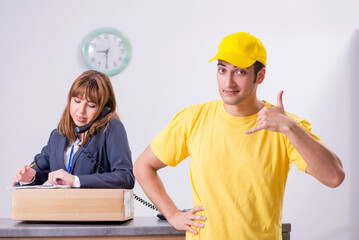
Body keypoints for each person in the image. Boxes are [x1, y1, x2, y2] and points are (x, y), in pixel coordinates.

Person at [133, 32, 345, 239]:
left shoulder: (284, 125)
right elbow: (143, 166)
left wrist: (290, 128)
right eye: (222, 70)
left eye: (240, 72)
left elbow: (334, 177)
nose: (228, 83)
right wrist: (173, 214)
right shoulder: (193, 119)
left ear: (259, 76)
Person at [12, 70, 134, 189]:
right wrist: (28, 178)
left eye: (91, 105)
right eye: (77, 101)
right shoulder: (58, 136)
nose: (81, 110)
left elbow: (126, 177)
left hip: (96, 208)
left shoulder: (111, 128)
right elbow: (37, 172)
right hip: (61, 208)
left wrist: (75, 180)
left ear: (104, 108)